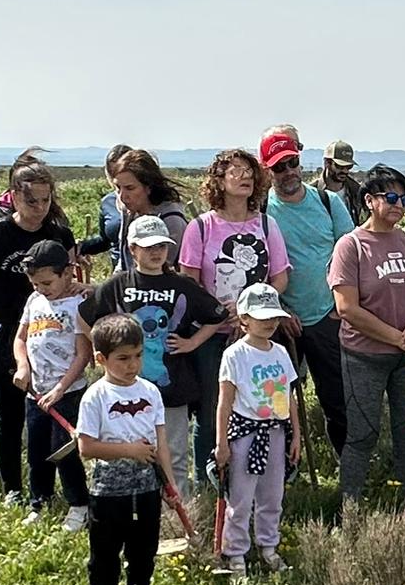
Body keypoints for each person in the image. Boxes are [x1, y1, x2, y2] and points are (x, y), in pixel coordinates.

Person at [0, 161, 79, 508]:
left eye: (45, 200)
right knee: (9, 412)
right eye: (31, 202)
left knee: (52, 412)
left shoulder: (59, 235)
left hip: (51, 332)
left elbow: (69, 278)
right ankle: (12, 488)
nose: (39, 209)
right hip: (0, 330)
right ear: (13, 197)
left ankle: (46, 489)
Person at [76, 216, 224, 502]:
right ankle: (140, 510)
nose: (156, 253)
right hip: (124, 390)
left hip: (173, 386)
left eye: (162, 246)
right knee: (129, 453)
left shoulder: (181, 284)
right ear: (132, 250)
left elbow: (216, 314)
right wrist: (106, 352)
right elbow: (84, 317)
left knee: (175, 453)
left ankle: (178, 512)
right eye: (148, 247)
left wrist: (192, 341)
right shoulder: (118, 285)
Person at [329, 165, 405, 508]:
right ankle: (350, 510)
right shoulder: (351, 247)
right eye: (391, 197)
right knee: (362, 434)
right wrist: (397, 337)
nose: (399, 205)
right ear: (369, 201)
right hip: (364, 357)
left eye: (404, 199)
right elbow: (347, 308)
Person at [179, 148, 290, 482]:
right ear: (218, 180)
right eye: (236, 170)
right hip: (213, 336)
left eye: (249, 171)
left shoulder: (267, 225)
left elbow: (280, 277)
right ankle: (209, 478)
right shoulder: (200, 228)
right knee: (214, 409)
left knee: (265, 405)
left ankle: (260, 478)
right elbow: (188, 280)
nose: (245, 177)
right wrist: (217, 311)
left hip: (259, 335)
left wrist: (254, 311)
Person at [74, 313, 172, 585]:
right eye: (123, 358)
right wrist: (129, 450)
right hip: (108, 492)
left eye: (138, 356)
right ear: (101, 359)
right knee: (105, 557)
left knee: (143, 552)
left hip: (146, 487)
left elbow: (161, 445)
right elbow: (86, 447)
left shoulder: (151, 392)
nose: (132, 365)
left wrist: (169, 484)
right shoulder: (96, 396)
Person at [262, 129, 354, 456]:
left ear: (301, 162)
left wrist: (341, 307)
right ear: (265, 170)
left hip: (328, 318)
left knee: (338, 399)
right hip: (277, 324)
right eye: (278, 167)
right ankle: (283, 469)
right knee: (276, 401)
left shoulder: (328, 203)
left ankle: (349, 471)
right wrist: (279, 312)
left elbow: (352, 254)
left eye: (292, 163)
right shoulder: (260, 212)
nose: (287, 172)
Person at [214, 283, 302, 579]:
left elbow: (288, 397)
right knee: (240, 497)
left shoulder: (279, 352)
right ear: (244, 319)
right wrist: (222, 442)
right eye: (261, 317)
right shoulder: (235, 355)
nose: (269, 323)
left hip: (276, 432)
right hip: (245, 434)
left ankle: (268, 545)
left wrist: (296, 435)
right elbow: (224, 403)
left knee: (272, 494)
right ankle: (235, 551)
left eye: (273, 317)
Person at [14, 240, 93, 531]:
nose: (41, 288)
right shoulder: (34, 302)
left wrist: (60, 388)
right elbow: (20, 338)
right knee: (36, 447)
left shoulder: (77, 304)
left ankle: (78, 504)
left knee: (64, 448)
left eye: (47, 282)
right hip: (36, 391)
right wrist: (23, 367)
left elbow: (83, 354)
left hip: (67, 392)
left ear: (67, 274)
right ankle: (40, 500)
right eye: (35, 283)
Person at [109, 149, 190, 255]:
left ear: (148, 187)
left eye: (130, 188)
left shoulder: (171, 220)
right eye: (118, 188)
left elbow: (163, 268)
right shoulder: (129, 212)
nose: (122, 197)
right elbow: (124, 260)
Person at [78, 145, 135, 272]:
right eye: (111, 171)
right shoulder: (108, 202)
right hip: (118, 273)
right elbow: (105, 241)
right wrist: (80, 247)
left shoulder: (147, 199)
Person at [316, 139, 370, 225]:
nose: (345, 171)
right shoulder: (312, 192)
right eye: (340, 166)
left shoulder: (356, 190)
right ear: (327, 163)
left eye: (349, 167)